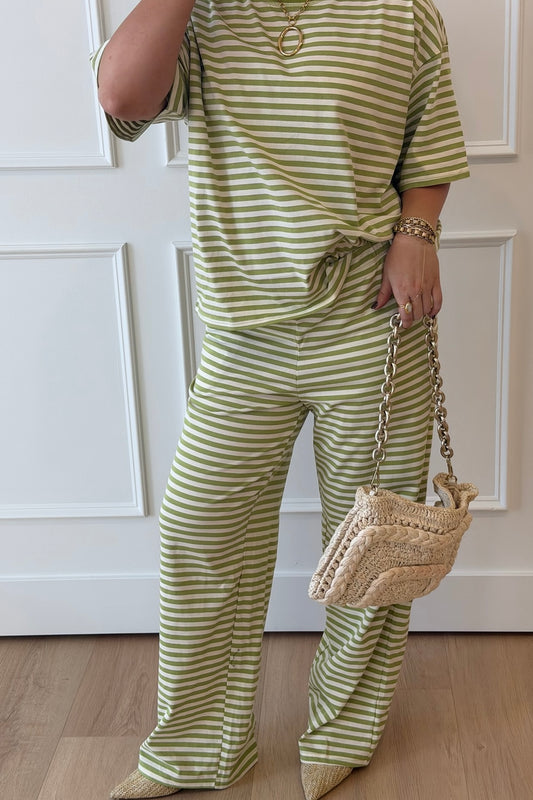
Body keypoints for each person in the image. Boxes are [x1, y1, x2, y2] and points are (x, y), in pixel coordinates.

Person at [93, 1, 469, 798]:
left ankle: (342, 730)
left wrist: (418, 234)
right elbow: (121, 96)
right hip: (242, 333)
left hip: (372, 319)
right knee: (200, 528)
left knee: (373, 541)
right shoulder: (201, 16)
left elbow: (429, 140)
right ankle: (199, 747)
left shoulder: (401, 12)